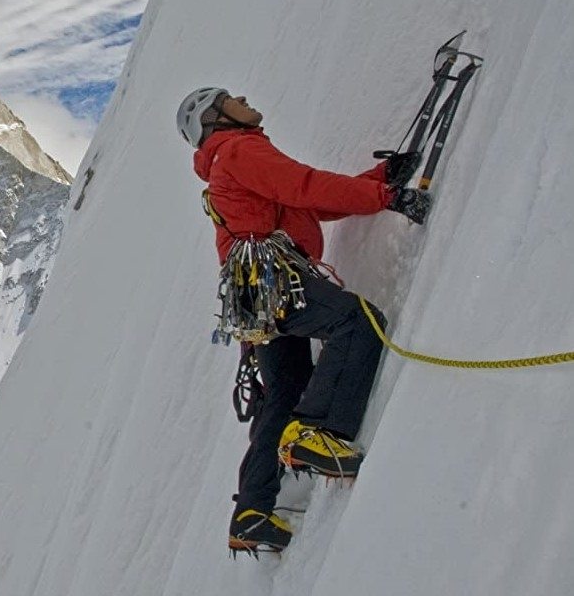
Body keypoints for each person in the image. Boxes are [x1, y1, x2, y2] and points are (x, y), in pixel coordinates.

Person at [175, 87, 430, 554]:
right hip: (274, 277)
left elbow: (305, 203)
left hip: (253, 295)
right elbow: (305, 186)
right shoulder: (239, 149)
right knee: (357, 322)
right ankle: (319, 432)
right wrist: (389, 197)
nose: (243, 98)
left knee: (285, 390)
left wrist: (376, 180)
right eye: (229, 98)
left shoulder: (225, 163)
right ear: (216, 118)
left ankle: (252, 512)